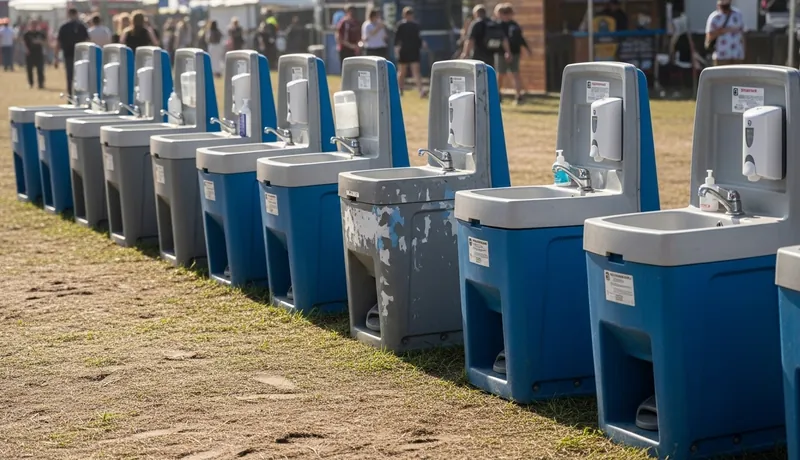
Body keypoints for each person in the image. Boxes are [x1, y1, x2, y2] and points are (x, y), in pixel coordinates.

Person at [495, 4, 532, 105]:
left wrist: (526, 49)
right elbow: (520, 39)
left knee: (508, 74)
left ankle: (513, 95)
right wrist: (527, 49)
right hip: (507, 52)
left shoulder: (504, 25)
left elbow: (519, 39)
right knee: (507, 74)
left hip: (507, 53)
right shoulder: (510, 25)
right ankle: (503, 95)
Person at [55, 8, 89, 95]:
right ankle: (79, 95)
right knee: (80, 76)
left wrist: (56, 57)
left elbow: (58, 42)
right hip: (80, 55)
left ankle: (70, 95)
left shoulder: (64, 27)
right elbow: (87, 41)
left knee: (70, 77)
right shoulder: (81, 26)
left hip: (68, 54)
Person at [394, 7, 427, 97]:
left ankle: (421, 91)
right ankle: (399, 90)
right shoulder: (401, 26)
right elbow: (397, 40)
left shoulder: (416, 26)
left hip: (414, 50)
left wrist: (422, 45)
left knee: (416, 71)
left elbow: (419, 38)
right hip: (404, 50)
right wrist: (397, 51)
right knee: (402, 71)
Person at [705, 0, 746, 66]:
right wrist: (721, 31)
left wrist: (744, 53)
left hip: (737, 55)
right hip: (721, 56)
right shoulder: (714, 17)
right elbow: (709, 36)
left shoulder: (737, 15)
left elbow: (742, 34)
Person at [23, 20, 46, 89]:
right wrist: (26, 50)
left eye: (35, 25)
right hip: (30, 54)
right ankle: (30, 83)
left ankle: (41, 83)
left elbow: (45, 42)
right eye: (32, 25)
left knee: (40, 69)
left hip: (39, 54)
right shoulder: (27, 34)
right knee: (29, 69)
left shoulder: (40, 33)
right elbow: (24, 43)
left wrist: (39, 41)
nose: (34, 26)